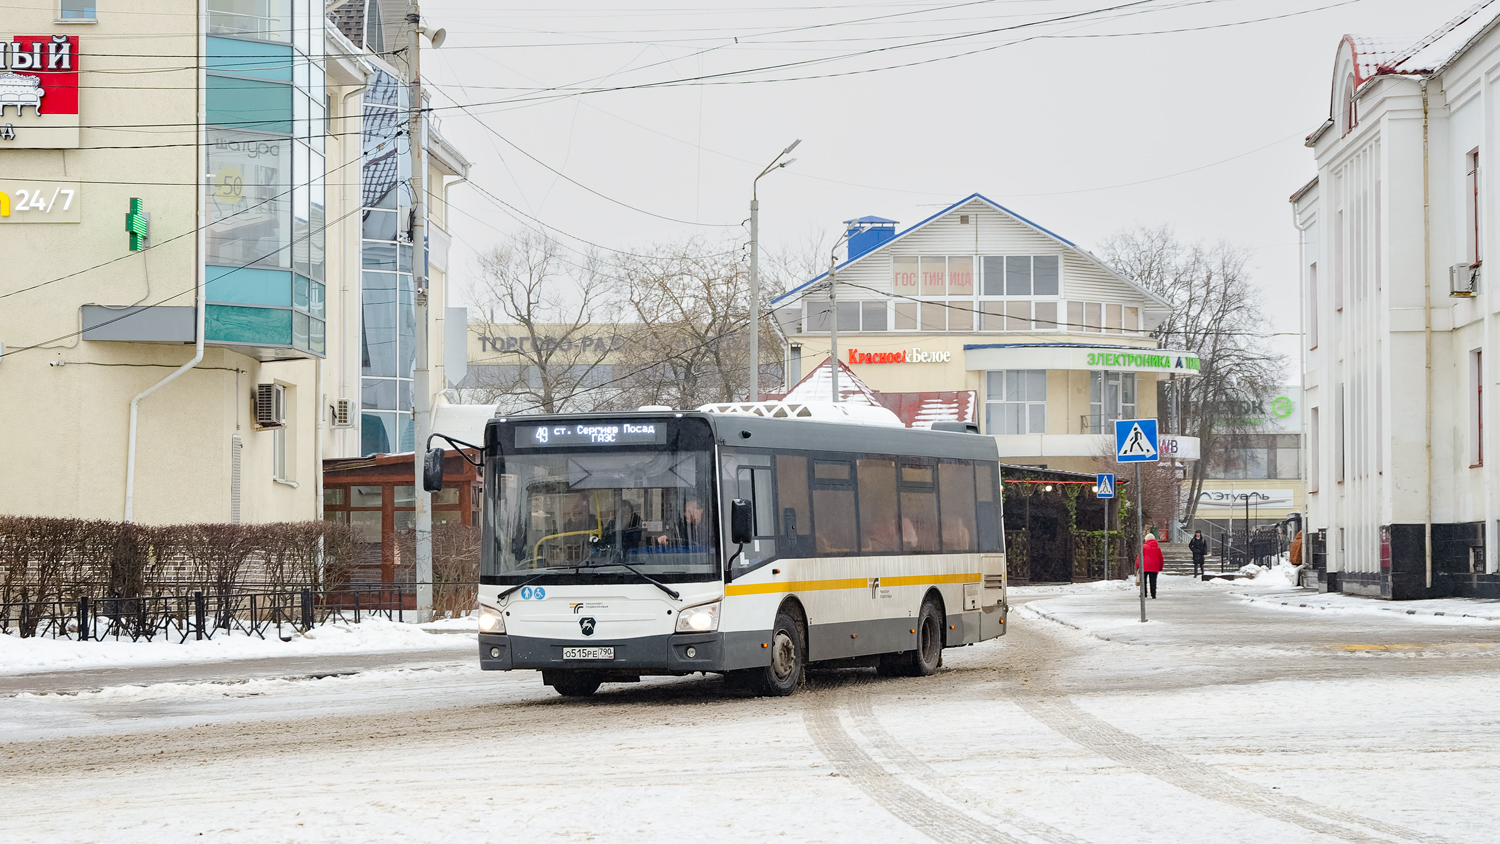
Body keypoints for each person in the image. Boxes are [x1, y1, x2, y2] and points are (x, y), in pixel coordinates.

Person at [1141, 532, 1164, 598]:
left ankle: (1144, 593)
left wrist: (1138, 566)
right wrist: (1160, 567)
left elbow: (1140, 557)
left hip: (1144, 566)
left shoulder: (1143, 547)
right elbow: (1160, 558)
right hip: (1154, 566)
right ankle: (1153, 594)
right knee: (1153, 581)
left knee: (1143, 581)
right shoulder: (1157, 548)